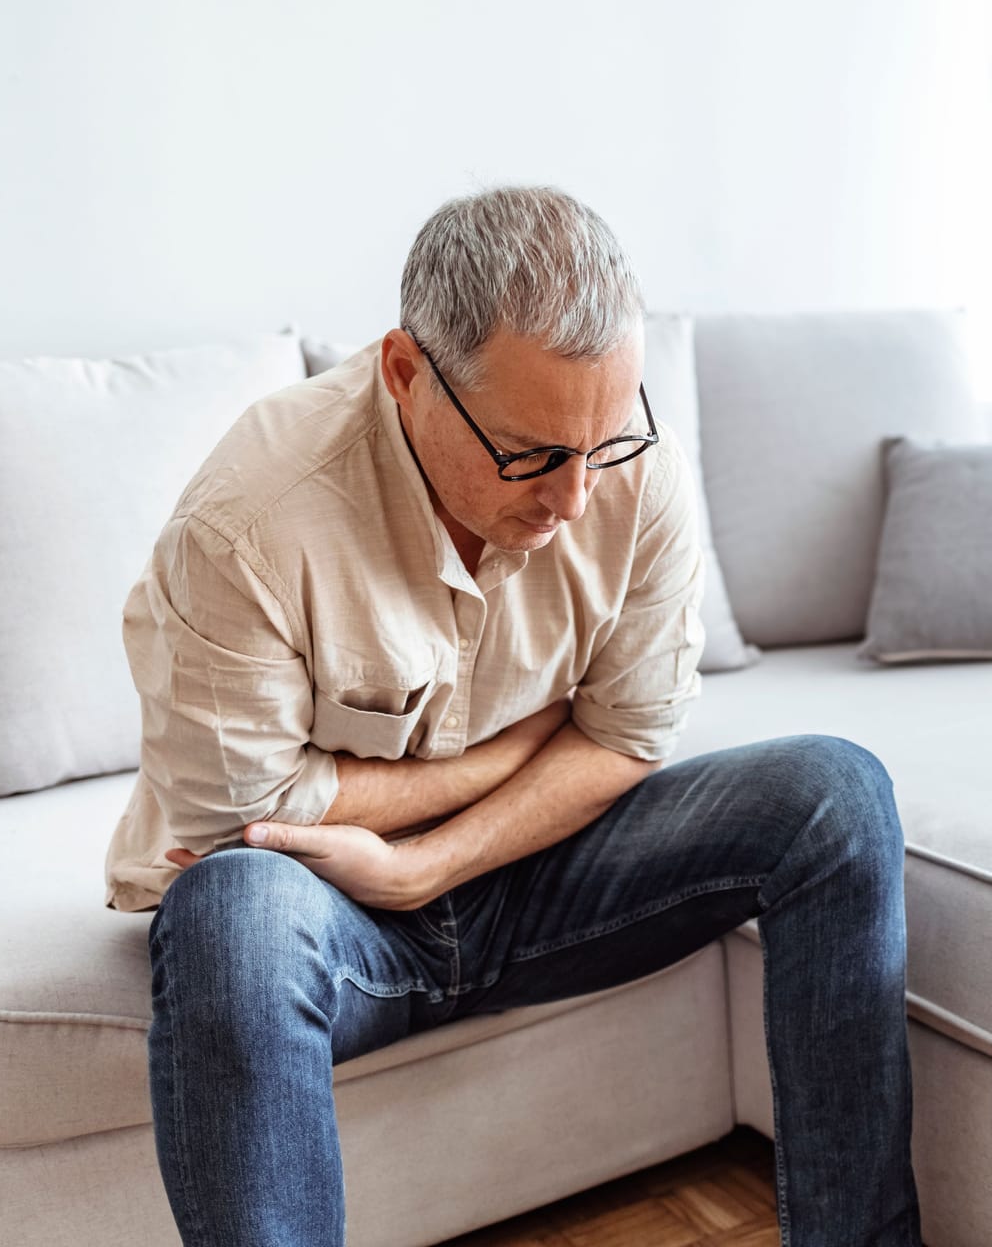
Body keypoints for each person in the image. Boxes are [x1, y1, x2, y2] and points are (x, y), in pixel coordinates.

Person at [102, 185, 923, 1247]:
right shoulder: (248, 521)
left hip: (540, 874)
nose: (576, 497)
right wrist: (517, 749)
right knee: (229, 912)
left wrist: (428, 860)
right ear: (407, 374)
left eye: (603, 443)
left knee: (838, 794)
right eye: (531, 453)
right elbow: (251, 811)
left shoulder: (632, 471)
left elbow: (627, 731)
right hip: (326, 908)